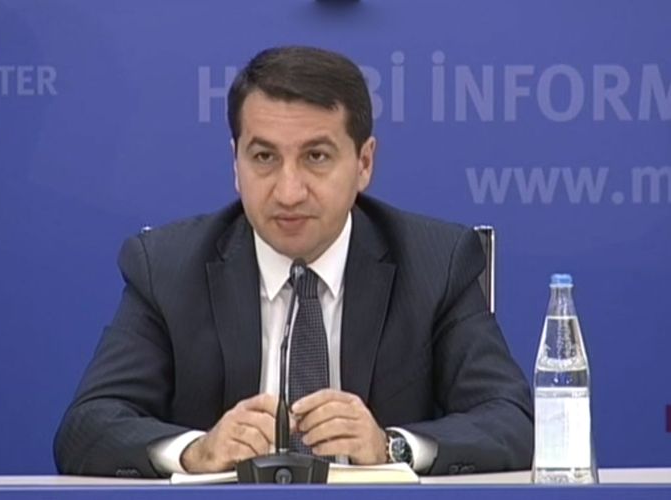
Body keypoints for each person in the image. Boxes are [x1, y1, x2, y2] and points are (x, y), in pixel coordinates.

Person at [54, 46, 533, 478]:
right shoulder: (167, 267)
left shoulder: (436, 262)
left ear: (364, 163)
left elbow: (513, 421)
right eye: (264, 157)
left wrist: (391, 447)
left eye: (316, 156)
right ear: (235, 163)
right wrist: (196, 452)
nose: (288, 192)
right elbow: (87, 428)